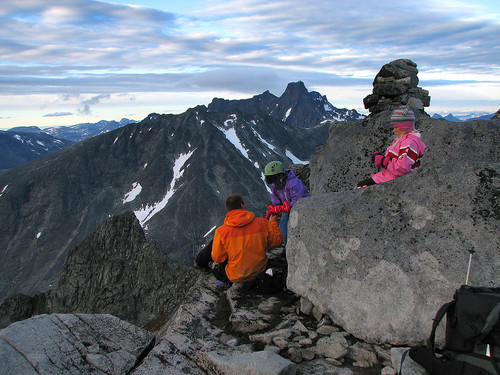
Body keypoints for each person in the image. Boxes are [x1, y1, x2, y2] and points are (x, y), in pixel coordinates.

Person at [194, 194, 283, 288]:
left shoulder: (221, 232)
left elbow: (218, 258)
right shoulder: (262, 223)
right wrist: (273, 222)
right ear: (242, 205)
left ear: (229, 211)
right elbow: (278, 241)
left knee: (218, 266)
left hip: (235, 276)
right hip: (259, 270)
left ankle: (203, 265)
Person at [356, 105, 426, 188]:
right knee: (361, 185)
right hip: (388, 177)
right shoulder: (404, 140)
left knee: (360, 187)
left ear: (405, 127)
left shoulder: (409, 143)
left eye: (396, 127)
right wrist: (381, 157)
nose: (394, 130)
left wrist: (383, 161)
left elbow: (403, 168)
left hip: (392, 180)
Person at [264, 161, 310, 245]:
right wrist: (273, 207)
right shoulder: (276, 185)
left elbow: (299, 200)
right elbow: (275, 199)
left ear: (280, 175)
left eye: (274, 179)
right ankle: (286, 246)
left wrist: (283, 208)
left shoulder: (294, 183)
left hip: (304, 208)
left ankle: (287, 246)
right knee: (283, 227)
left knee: (288, 226)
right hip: (289, 210)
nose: (273, 182)